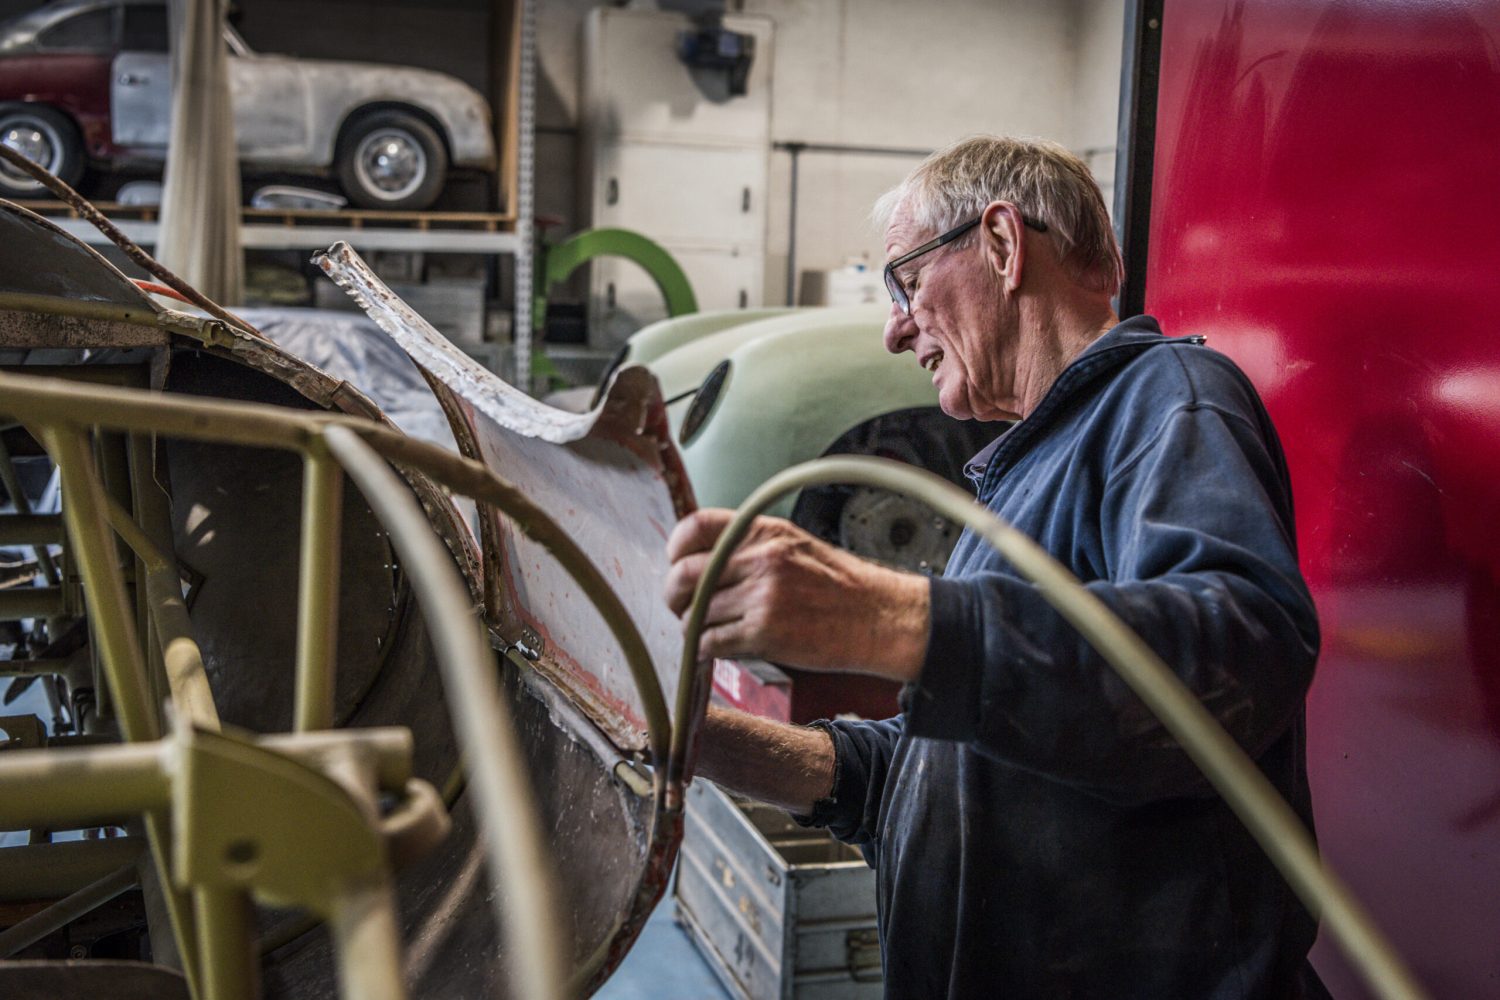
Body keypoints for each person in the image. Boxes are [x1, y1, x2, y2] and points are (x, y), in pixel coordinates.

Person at [663, 135, 1325, 998]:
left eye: (904, 282)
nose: (895, 330)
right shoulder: (1020, 476)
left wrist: (880, 616)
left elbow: (1241, 651)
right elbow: (929, 772)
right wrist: (699, 743)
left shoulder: (1167, 397)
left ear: (1004, 245)